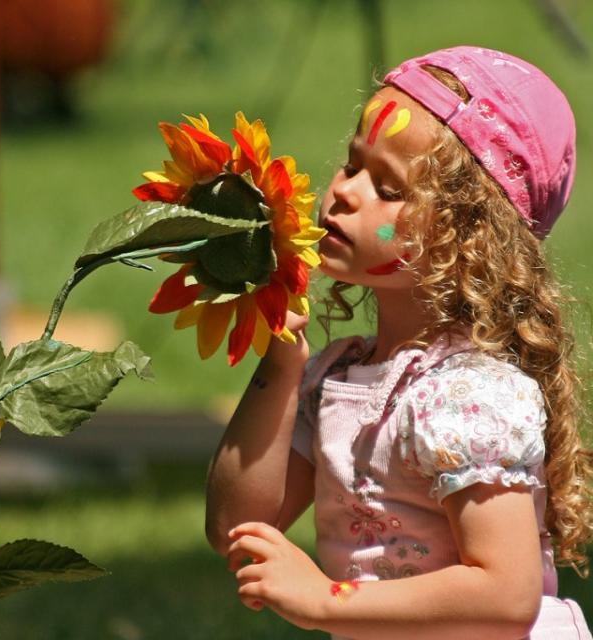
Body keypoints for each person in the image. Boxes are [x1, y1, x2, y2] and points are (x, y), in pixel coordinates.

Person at [205, 46, 593, 639]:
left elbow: (507, 592)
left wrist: (328, 600)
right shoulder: (336, 376)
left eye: (389, 188)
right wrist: (281, 367)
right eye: (354, 163)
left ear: (469, 240)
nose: (345, 191)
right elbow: (240, 524)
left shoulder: (470, 394)